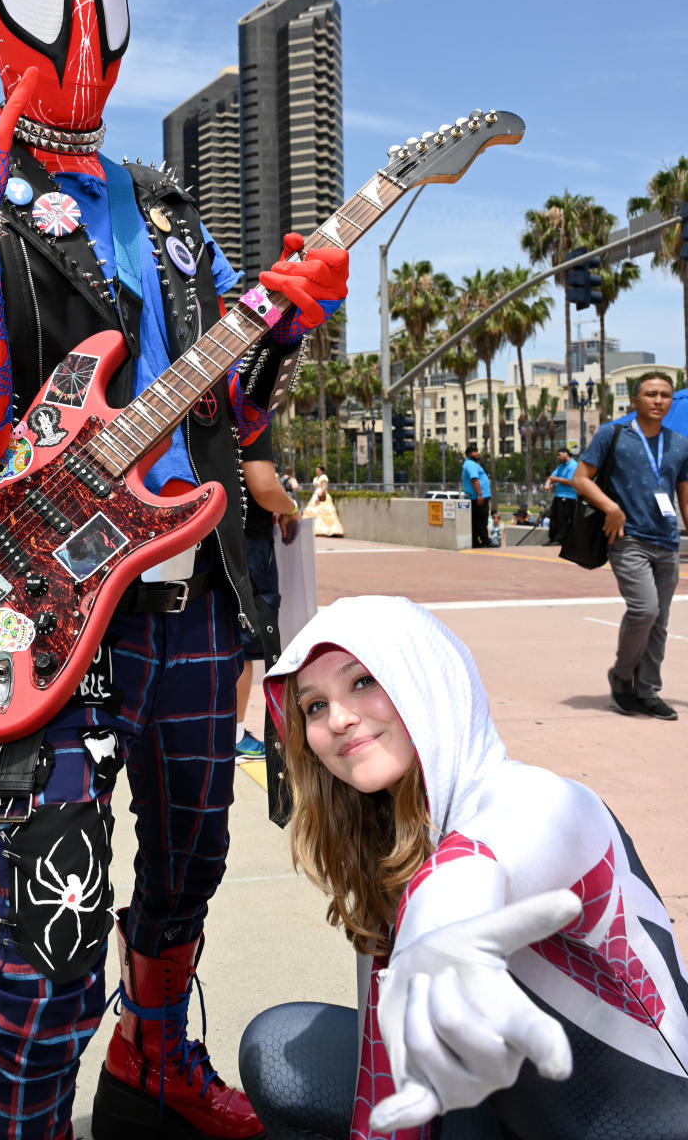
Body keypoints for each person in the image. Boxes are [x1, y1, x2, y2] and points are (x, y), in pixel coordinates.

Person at [0, 0, 348, 1140]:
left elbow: (233, 417)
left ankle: (155, 1057)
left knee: (190, 871)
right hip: (49, 617)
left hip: (195, 597)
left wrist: (289, 326)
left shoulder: (168, 211)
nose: (85, 26)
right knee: (51, 939)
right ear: (2, 11)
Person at [239, 595, 688, 1140]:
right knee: (279, 1050)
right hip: (500, 1106)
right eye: (313, 705)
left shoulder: (540, 799)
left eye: (362, 681)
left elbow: (491, 856)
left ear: (423, 677)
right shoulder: (391, 841)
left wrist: (438, 921)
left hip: (640, 1120)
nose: (338, 718)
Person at [574, 372, 688, 722]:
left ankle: (647, 691)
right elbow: (581, 478)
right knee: (645, 609)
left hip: (666, 541)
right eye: (651, 394)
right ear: (634, 400)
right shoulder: (614, 434)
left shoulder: (680, 444)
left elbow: (684, 496)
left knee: (660, 622)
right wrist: (611, 507)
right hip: (627, 540)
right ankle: (623, 677)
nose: (659, 400)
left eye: (665, 395)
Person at [234, 425, 300, 760]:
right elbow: (263, 486)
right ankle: (232, 734)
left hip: (203, 533)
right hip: (247, 543)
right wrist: (290, 507)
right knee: (243, 645)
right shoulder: (249, 411)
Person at [542, 446, 577, 546]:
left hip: (569, 496)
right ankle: (552, 538)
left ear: (566, 453)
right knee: (554, 517)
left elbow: (570, 481)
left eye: (559, 455)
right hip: (558, 495)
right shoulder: (560, 466)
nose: (558, 457)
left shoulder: (573, 465)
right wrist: (547, 484)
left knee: (563, 518)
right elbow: (551, 477)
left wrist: (556, 479)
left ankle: (560, 539)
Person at [461, 445, 491, 547]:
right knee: (481, 520)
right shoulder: (470, 464)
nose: (477, 453)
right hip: (477, 498)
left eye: (477, 451)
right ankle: (484, 541)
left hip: (475, 497)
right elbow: (474, 479)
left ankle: (476, 542)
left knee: (476, 521)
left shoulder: (471, 464)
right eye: (474, 452)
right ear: (468, 454)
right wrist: (479, 495)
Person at [303, 463, 344, 537]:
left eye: (318, 470)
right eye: (316, 470)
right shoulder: (315, 478)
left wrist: (319, 495)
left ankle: (327, 530)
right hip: (315, 494)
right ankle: (314, 529)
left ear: (321, 471)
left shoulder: (323, 477)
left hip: (322, 495)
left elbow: (324, 487)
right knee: (313, 512)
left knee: (323, 512)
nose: (317, 472)